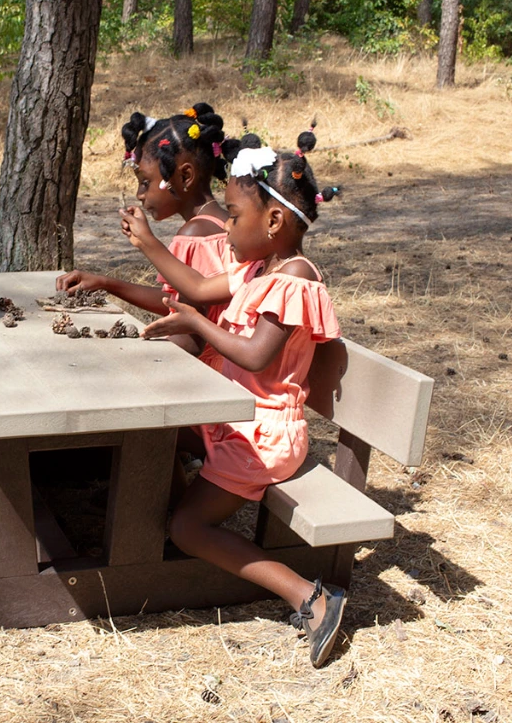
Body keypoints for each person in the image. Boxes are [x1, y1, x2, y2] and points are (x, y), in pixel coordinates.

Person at [118, 129, 346, 668]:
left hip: (265, 434)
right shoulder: (258, 268)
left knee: (187, 527)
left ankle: (309, 598)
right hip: (237, 419)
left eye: (235, 217)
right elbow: (196, 290)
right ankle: (129, 541)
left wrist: (197, 323)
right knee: (153, 426)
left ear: (273, 222)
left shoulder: (294, 280)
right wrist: (145, 246)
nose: (228, 229)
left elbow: (254, 356)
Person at [56, 103, 230, 368]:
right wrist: (106, 283)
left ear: (184, 175)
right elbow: (178, 304)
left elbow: (188, 341)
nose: (140, 194)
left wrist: (125, 358)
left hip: (211, 379)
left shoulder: (194, 235)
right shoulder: (225, 224)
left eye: (146, 182)